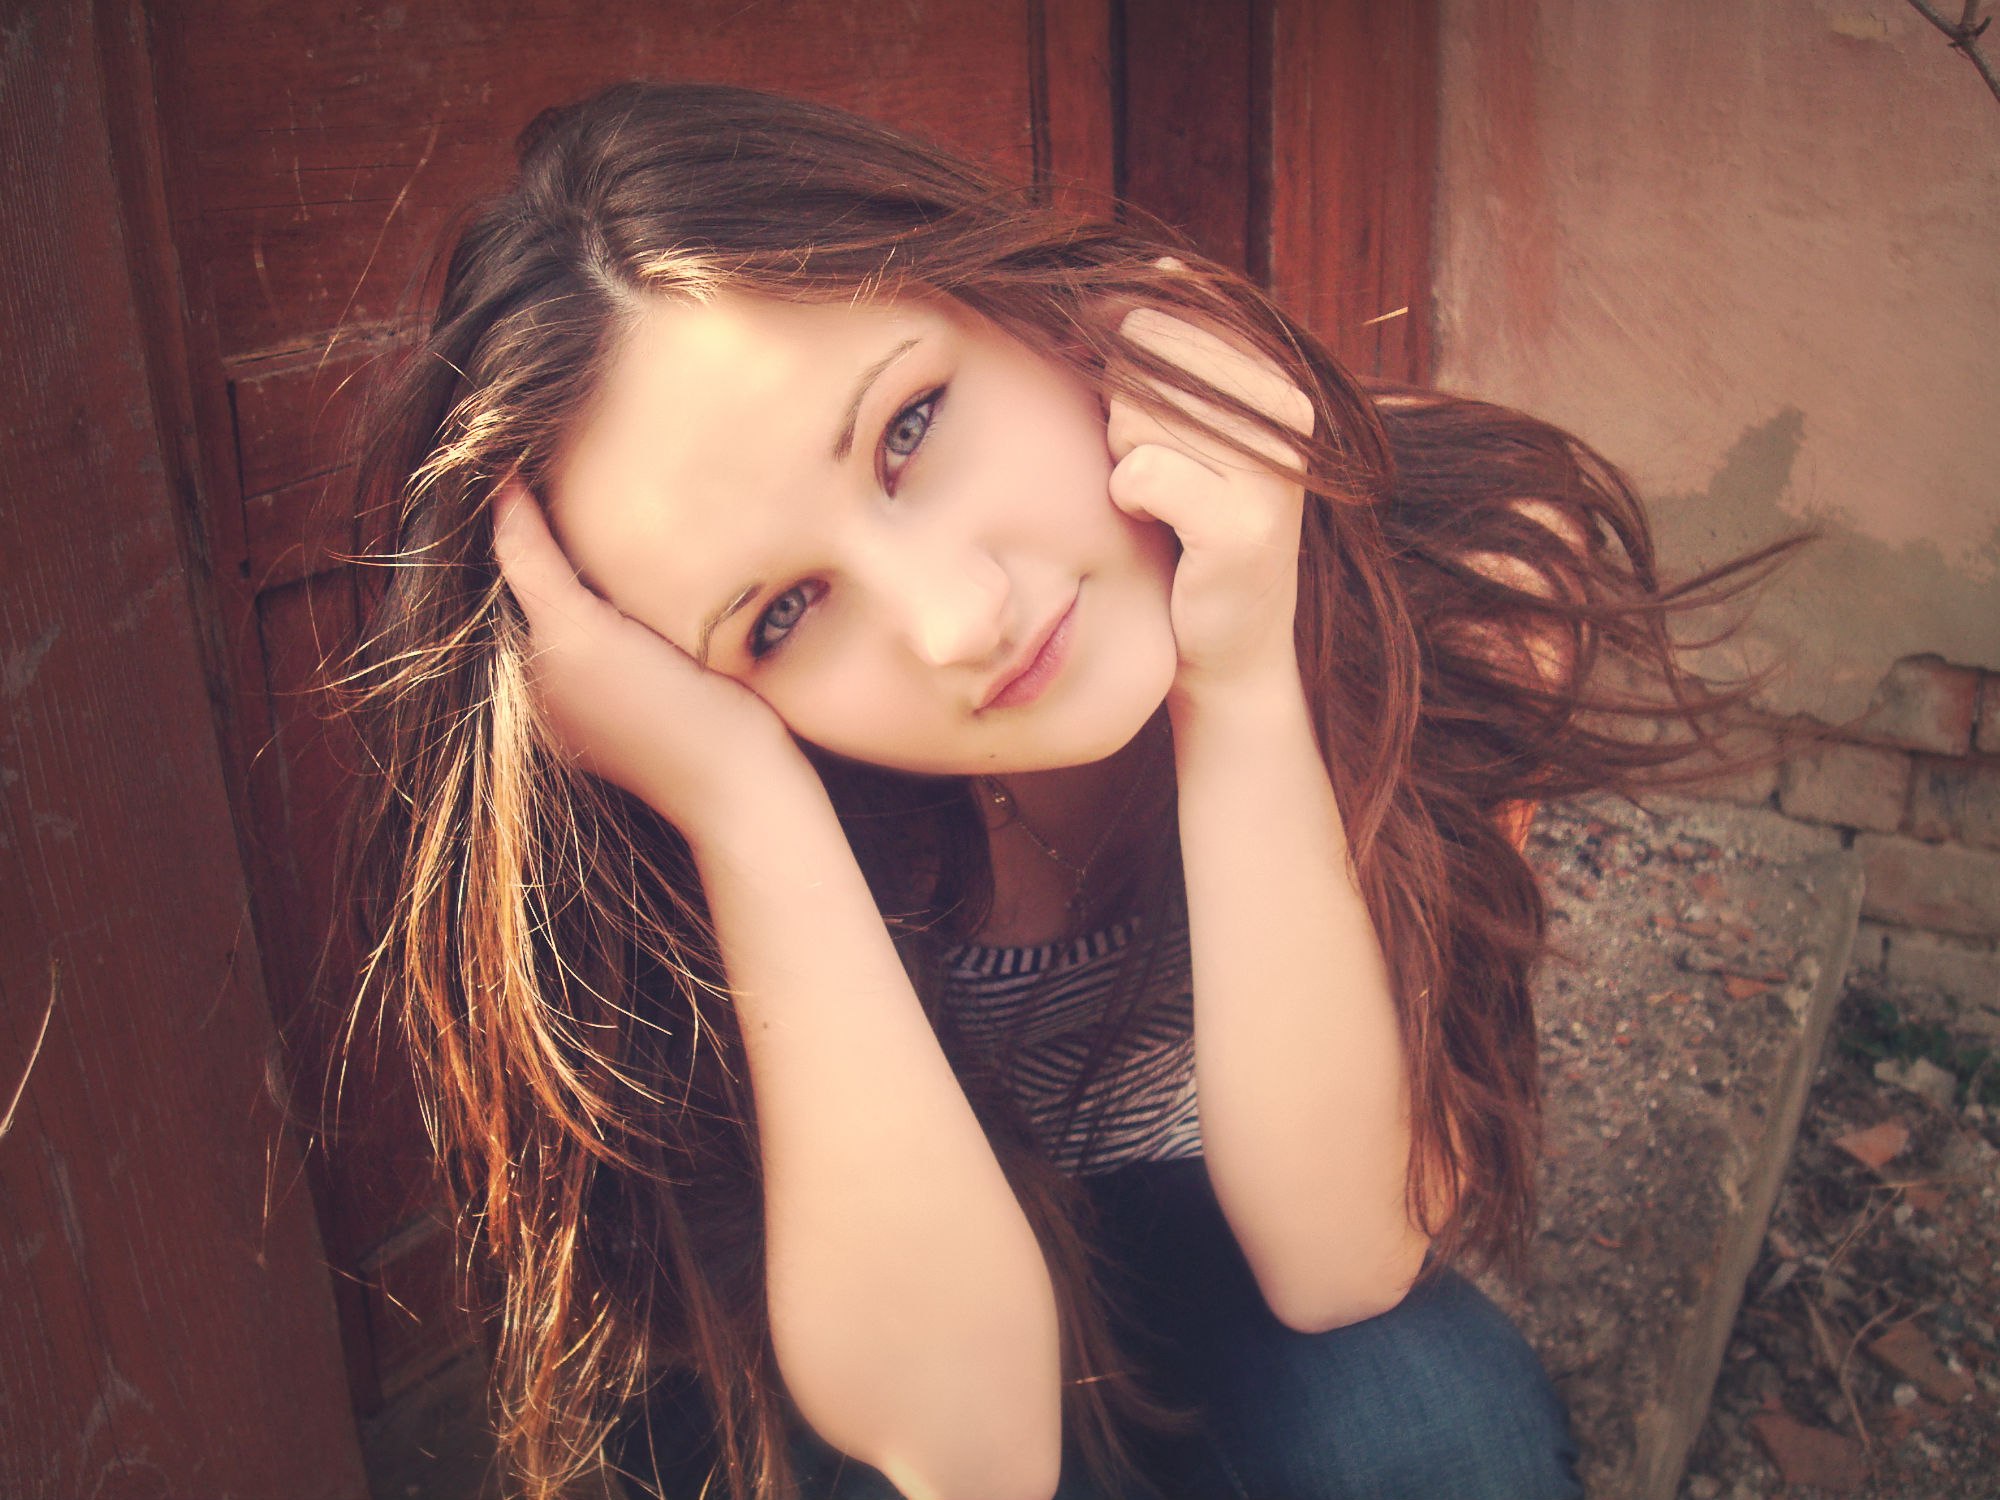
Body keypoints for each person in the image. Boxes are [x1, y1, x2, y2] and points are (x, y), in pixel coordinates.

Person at [338, 81, 1785, 1500]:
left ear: (1033, 304)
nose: (954, 622)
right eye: (779, 615)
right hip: (916, 1317)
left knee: (1430, 1426)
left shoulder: (1447, 568)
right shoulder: (681, 821)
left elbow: (1342, 1264)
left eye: (910, 429)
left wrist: (1243, 672)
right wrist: (742, 809)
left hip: (1258, 1266)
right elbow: (965, 1459)